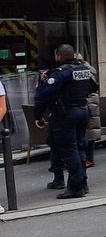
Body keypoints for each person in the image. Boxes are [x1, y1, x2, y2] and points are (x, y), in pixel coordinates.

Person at [33, 44, 97, 199]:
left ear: (60, 56)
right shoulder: (83, 70)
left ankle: (76, 187)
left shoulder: (61, 73)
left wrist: (38, 116)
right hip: (82, 110)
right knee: (80, 147)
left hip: (66, 114)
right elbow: (93, 86)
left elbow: (42, 96)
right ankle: (83, 183)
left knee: (69, 150)